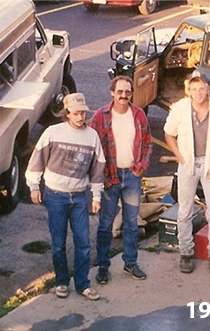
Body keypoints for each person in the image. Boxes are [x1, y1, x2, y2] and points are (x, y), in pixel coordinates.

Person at [26, 92, 105, 301]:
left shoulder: (92, 137)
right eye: (76, 113)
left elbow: (97, 170)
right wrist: (34, 186)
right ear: (67, 113)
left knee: (83, 243)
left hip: (79, 198)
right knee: (58, 244)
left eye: (83, 113)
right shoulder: (53, 132)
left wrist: (96, 197)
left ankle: (82, 283)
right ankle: (62, 281)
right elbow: (36, 161)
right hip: (55, 196)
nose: (81, 117)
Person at [164, 76, 210, 275]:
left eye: (201, 89)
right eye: (194, 89)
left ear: (207, 89)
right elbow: (168, 134)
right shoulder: (180, 109)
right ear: (189, 91)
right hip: (187, 165)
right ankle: (186, 252)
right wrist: (180, 157)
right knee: (184, 211)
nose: (198, 93)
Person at [89, 76, 152, 283]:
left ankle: (130, 263)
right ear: (112, 92)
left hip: (132, 177)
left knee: (131, 223)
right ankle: (103, 267)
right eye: (120, 92)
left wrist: (141, 167)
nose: (124, 96)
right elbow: (92, 147)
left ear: (131, 93)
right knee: (105, 224)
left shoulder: (139, 114)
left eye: (127, 92)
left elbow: (148, 143)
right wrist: (100, 175)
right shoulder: (100, 116)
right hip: (110, 177)